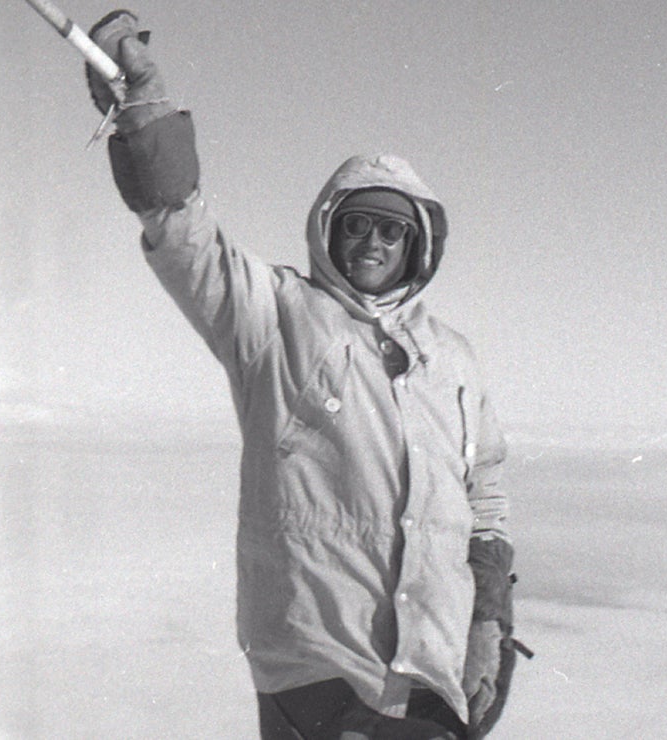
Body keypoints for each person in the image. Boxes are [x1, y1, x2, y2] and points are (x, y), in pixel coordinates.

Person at [84, 11, 527, 739]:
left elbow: (488, 495)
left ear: (417, 247)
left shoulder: (453, 357)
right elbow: (182, 230)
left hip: (433, 664)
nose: (372, 242)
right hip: (319, 667)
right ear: (330, 228)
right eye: (358, 223)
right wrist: (142, 103)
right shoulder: (275, 316)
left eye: (392, 230)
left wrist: (490, 615)